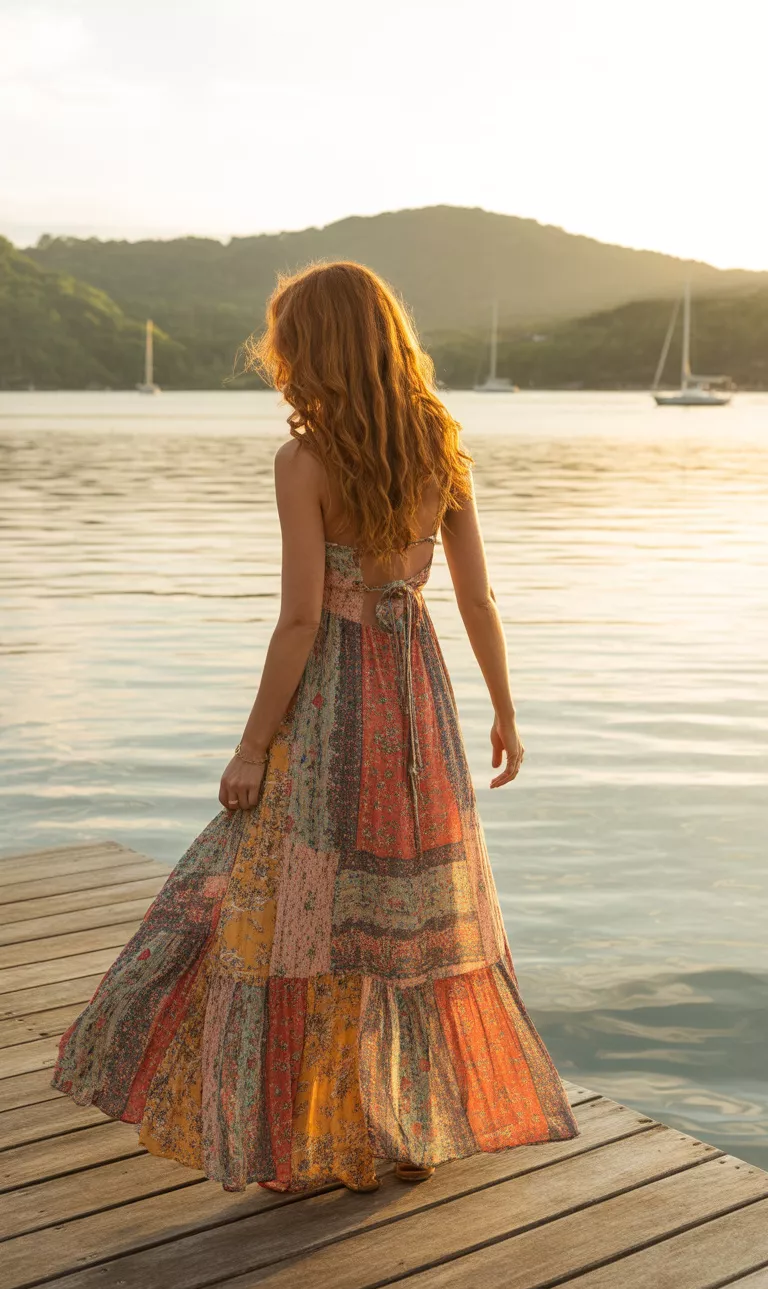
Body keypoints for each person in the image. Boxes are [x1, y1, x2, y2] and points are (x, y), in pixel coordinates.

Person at [53, 261, 577, 1193]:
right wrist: (504, 709)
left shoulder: (304, 462)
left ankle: (338, 1140)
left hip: (333, 704)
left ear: (312, 349)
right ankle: (408, 1131)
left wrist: (251, 746)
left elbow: (300, 620)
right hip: (418, 703)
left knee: (305, 916)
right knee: (408, 916)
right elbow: (478, 597)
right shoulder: (439, 444)